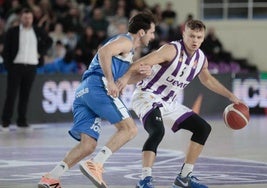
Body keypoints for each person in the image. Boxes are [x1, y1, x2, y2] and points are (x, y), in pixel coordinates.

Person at [38, 11, 156, 188]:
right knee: (129, 129)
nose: (153, 36)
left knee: (88, 145)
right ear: (141, 32)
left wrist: (140, 76)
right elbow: (103, 51)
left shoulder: (127, 51)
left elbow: (121, 79)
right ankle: (97, 164)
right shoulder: (127, 41)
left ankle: (52, 177)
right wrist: (109, 81)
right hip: (97, 86)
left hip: (83, 91)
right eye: (152, 32)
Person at [117, 19, 241, 188]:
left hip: (169, 103)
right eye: (191, 36)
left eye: (199, 37)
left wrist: (230, 96)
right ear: (184, 34)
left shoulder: (201, 59)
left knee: (203, 128)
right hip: (147, 96)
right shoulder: (171, 50)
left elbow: (208, 80)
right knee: (157, 131)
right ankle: (145, 180)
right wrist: (124, 79)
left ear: (203, 38)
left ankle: (184, 177)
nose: (195, 40)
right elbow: (141, 62)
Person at [1, 8, 52, 132]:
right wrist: (9, 66)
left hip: (31, 66)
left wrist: (41, 52)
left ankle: (22, 121)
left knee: (25, 95)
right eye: (25, 18)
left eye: (29, 18)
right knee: (11, 95)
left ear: (32, 19)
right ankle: (5, 122)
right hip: (16, 66)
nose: (27, 20)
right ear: (21, 18)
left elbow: (49, 41)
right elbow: (6, 50)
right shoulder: (13, 32)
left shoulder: (38, 31)